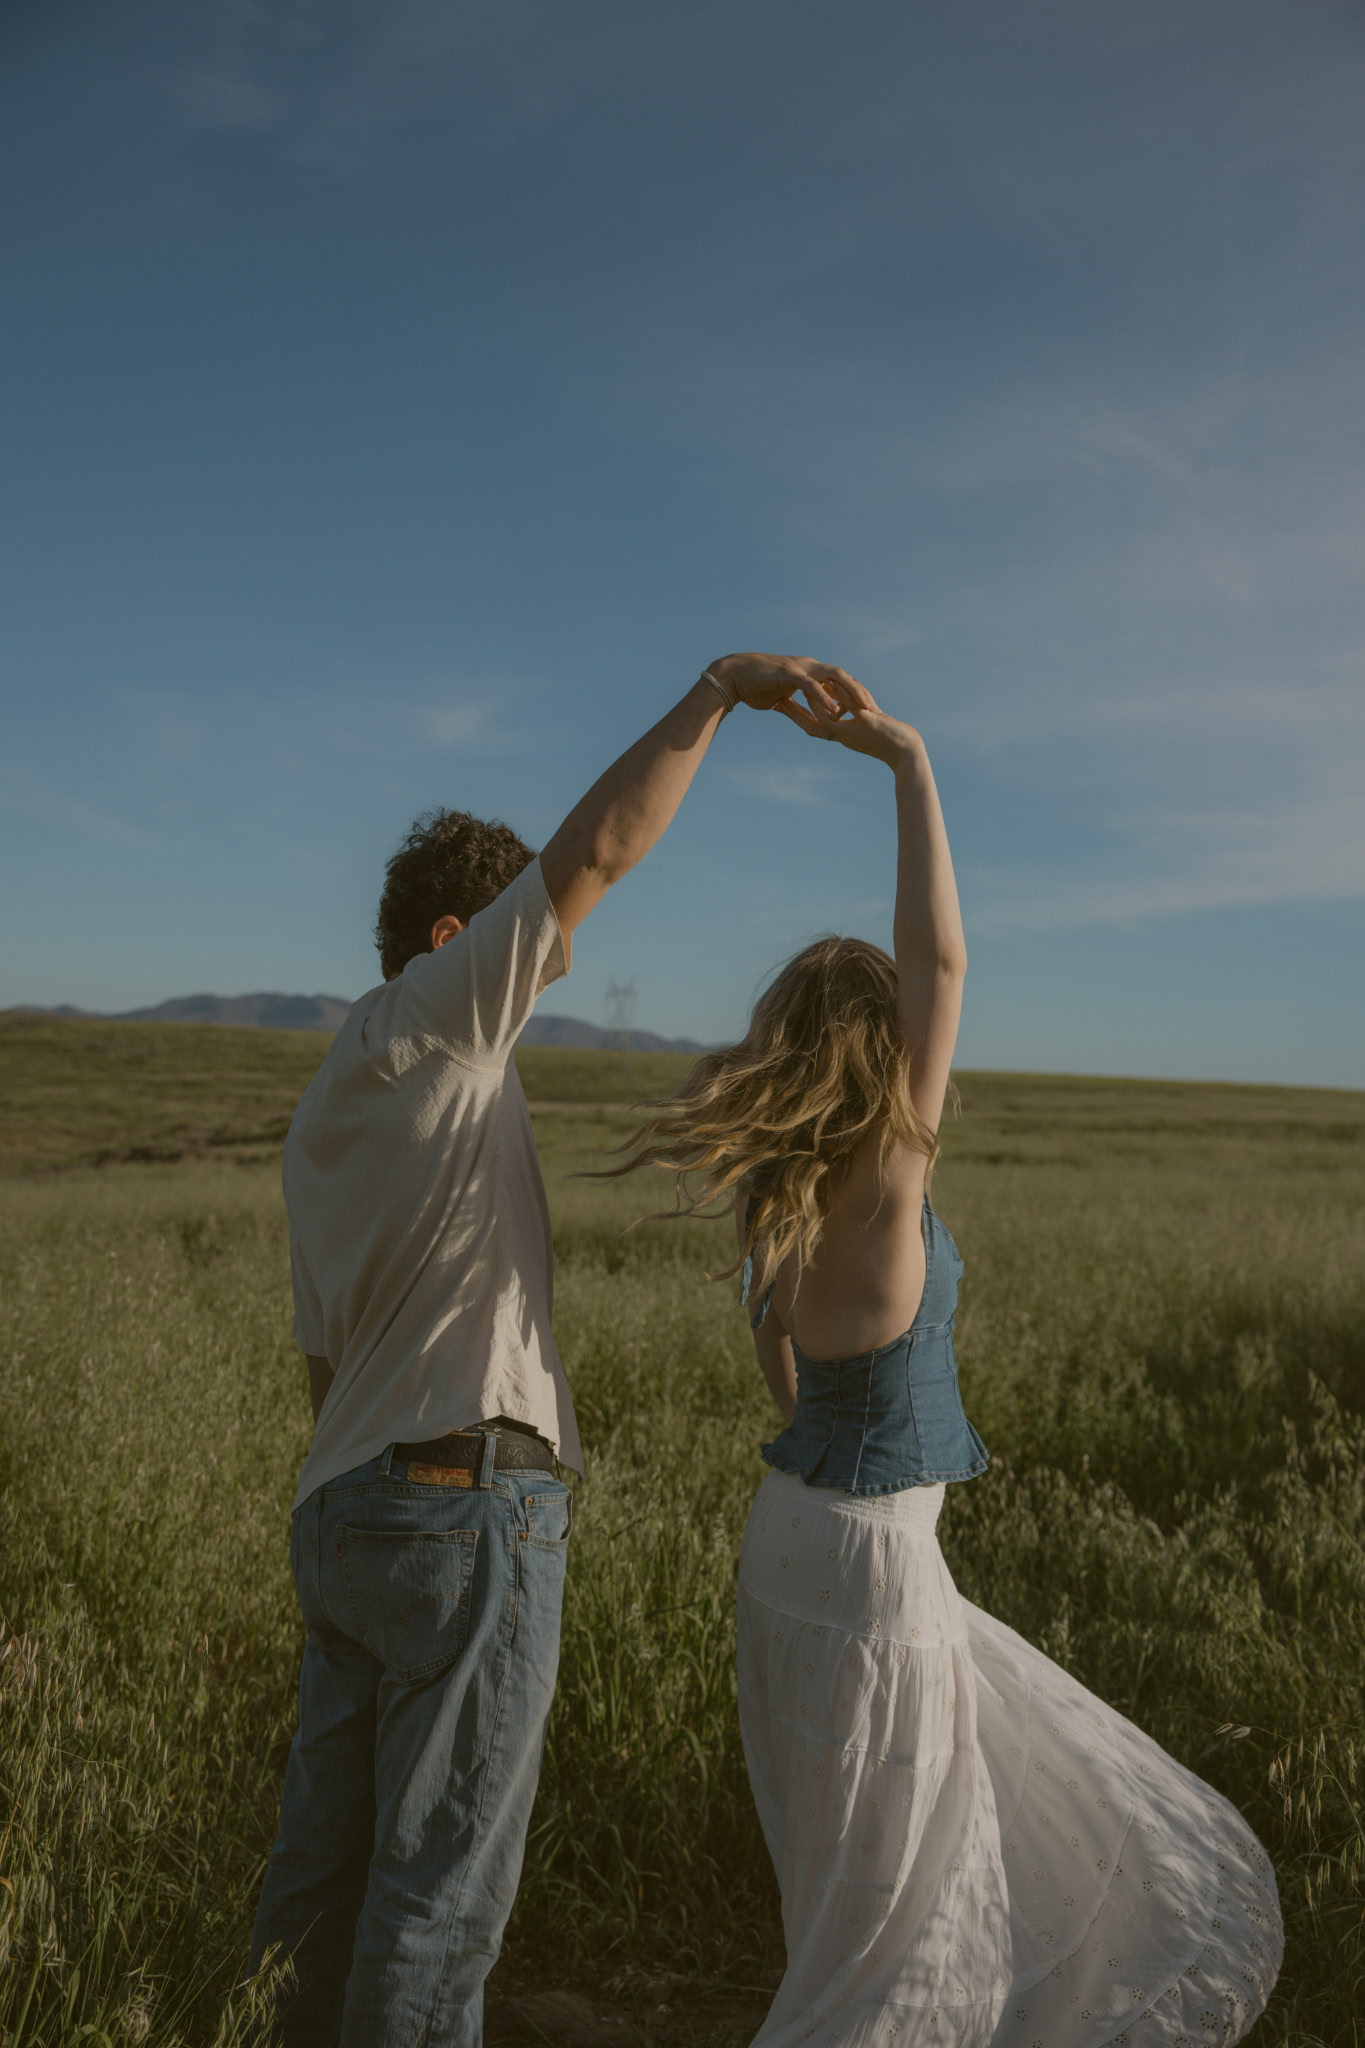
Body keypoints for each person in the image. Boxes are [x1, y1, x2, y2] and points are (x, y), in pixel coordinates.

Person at [609, 673, 1283, 2046]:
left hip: (792, 1540)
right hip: (864, 1556)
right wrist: (906, 763)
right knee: (909, 1921)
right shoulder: (884, 1183)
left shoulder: (779, 1200)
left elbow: (783, 1378)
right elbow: (948, 966)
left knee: (851, 1878)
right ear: (880, 1055)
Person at [247, 654, 840, 2046]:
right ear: (456, 938)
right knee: (438, 1894)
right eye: (531, 947)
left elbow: (320, 1369)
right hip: (462, 1504)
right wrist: (715, 693)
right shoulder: (446, 1025)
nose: (550, 965)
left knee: (317, 1873)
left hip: (344, 1514)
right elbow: (602, 847)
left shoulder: (332, 1100)